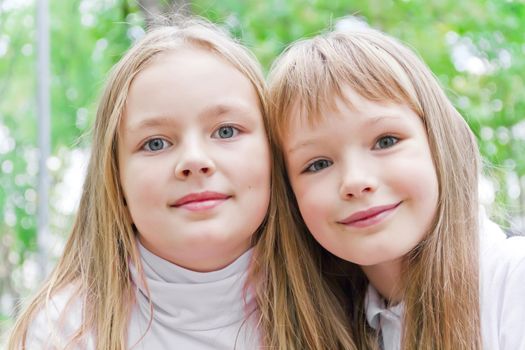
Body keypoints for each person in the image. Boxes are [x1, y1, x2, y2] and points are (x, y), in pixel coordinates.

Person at [8, 15, 356, 350]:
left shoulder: (347, 300)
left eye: (226, 131)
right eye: (155, 143)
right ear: (116, 182)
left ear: (273, 155)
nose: (194, 161)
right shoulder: (64, 331)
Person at [267, 25, 525, 349]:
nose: (356, 182)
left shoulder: (513, 283)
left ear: (438, 141)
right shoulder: (308, 327)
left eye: (385, 141)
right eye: (318, 164)